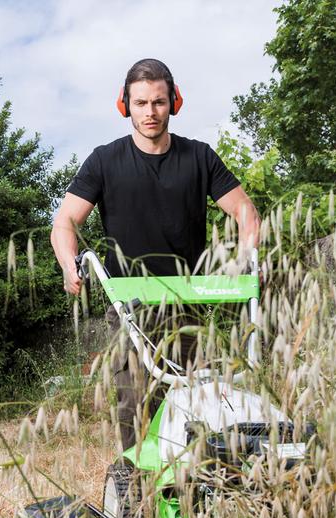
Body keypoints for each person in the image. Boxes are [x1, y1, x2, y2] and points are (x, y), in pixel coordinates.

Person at [49, 58, 262, 451]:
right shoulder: (104, 161)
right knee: (136, 406)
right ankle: (139, 493)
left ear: (174, 102)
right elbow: (65, 222)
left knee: (204, 402)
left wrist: (246, 257)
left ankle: (199, 485)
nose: (151, 112)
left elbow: (247, 214)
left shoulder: (199, 157)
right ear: (125, 105)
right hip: (130, 306)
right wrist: (68, 262)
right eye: (142, 103)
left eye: (159, 102)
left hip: (189, 304)